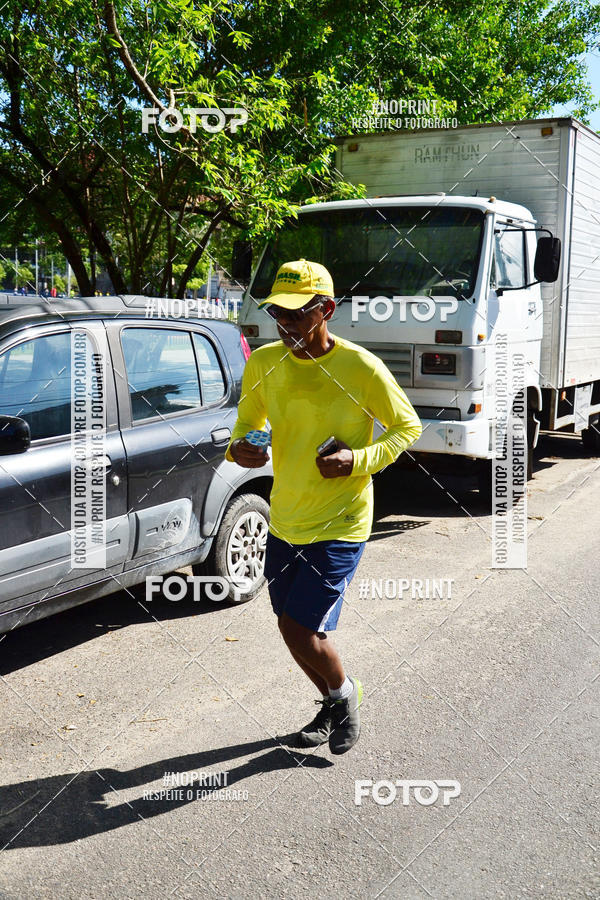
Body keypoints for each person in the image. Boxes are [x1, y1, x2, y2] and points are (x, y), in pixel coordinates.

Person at [226, 259, 421, 754]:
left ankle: (344, 694)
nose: (286, 324)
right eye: (278, 314)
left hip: (341, 523)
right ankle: (333, 705)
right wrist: (240, 450)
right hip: (285, 519)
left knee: (299, 629)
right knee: (293, 631)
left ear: (327, 309)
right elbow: (245, 427)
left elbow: (407, 427)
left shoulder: (361, 367)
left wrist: (359, 458)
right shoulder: (263, 362)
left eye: (297, 314)